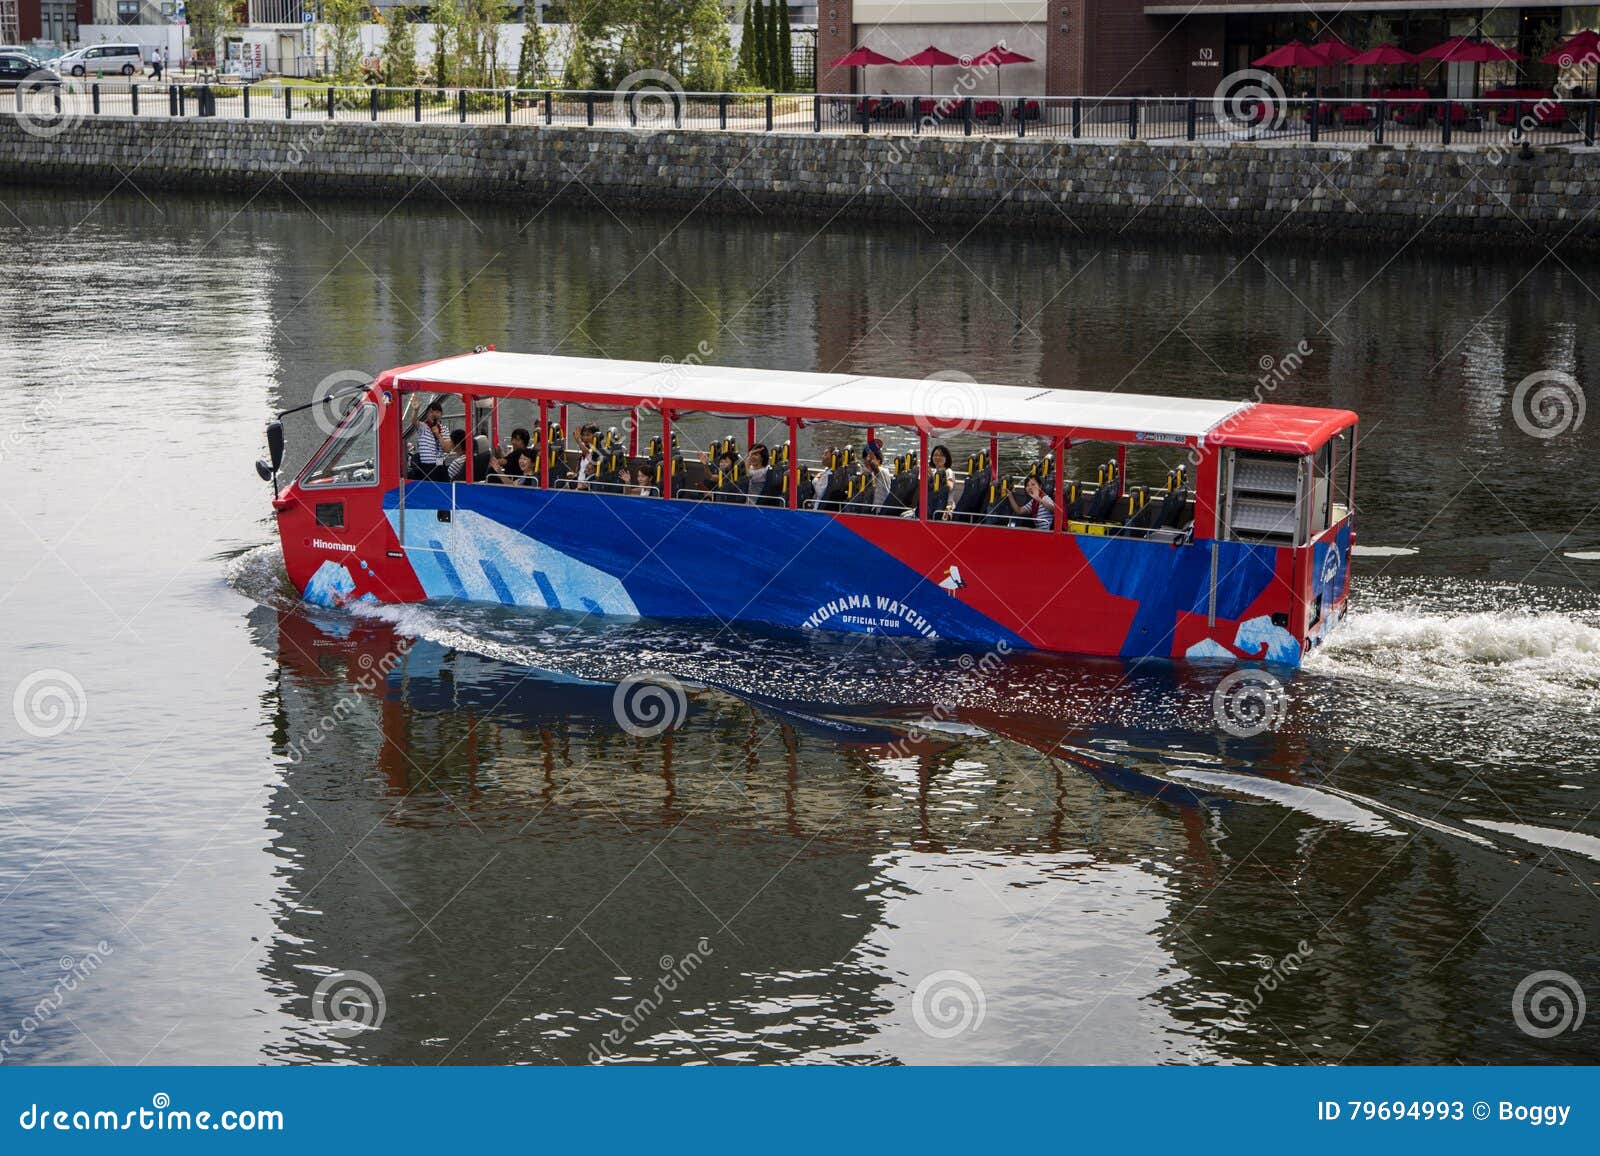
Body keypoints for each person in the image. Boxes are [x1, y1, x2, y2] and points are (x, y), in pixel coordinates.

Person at [409, 399, 447, 480]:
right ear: (427, 414)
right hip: (427, 466)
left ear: (441, 414)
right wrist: (416, 410)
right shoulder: (423, 427)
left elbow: (447, 449)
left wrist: (438, 434)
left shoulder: (444, 429)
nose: (434, 414)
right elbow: (414, 421)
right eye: (431, 412)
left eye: (437, 412)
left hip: (440, 465)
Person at [860, 443, 893, 509]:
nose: (868, 462)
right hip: (873, 509)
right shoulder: (871, 474)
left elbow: (875, 468)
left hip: (882, 508)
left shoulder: (883, 471)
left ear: (878, 460)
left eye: (872, 458)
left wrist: (869, 459)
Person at [571, 423, 600, 489]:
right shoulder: (583, 452)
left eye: (588, 435)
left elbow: (588, 453)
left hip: (588, 489)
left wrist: (578, 440)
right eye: (583, 435)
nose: (585, 438)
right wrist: (575, 475)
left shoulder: (598, 451)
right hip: (579, 487)